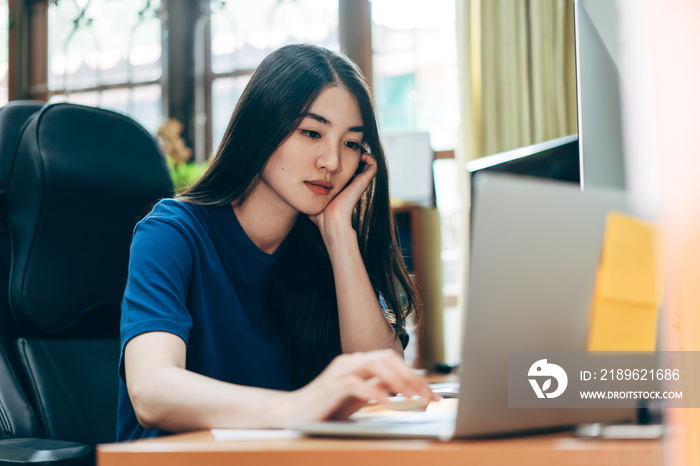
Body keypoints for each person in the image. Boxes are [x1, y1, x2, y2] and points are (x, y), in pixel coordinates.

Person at [116, 43, 438, 441]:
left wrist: (339, 235)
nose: (332, 162)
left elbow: (384, 384)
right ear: (262, 126)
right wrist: (300, 406)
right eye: (311, 132)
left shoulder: (329, 251)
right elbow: (151, 391)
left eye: (352, 143)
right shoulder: (172, 233)